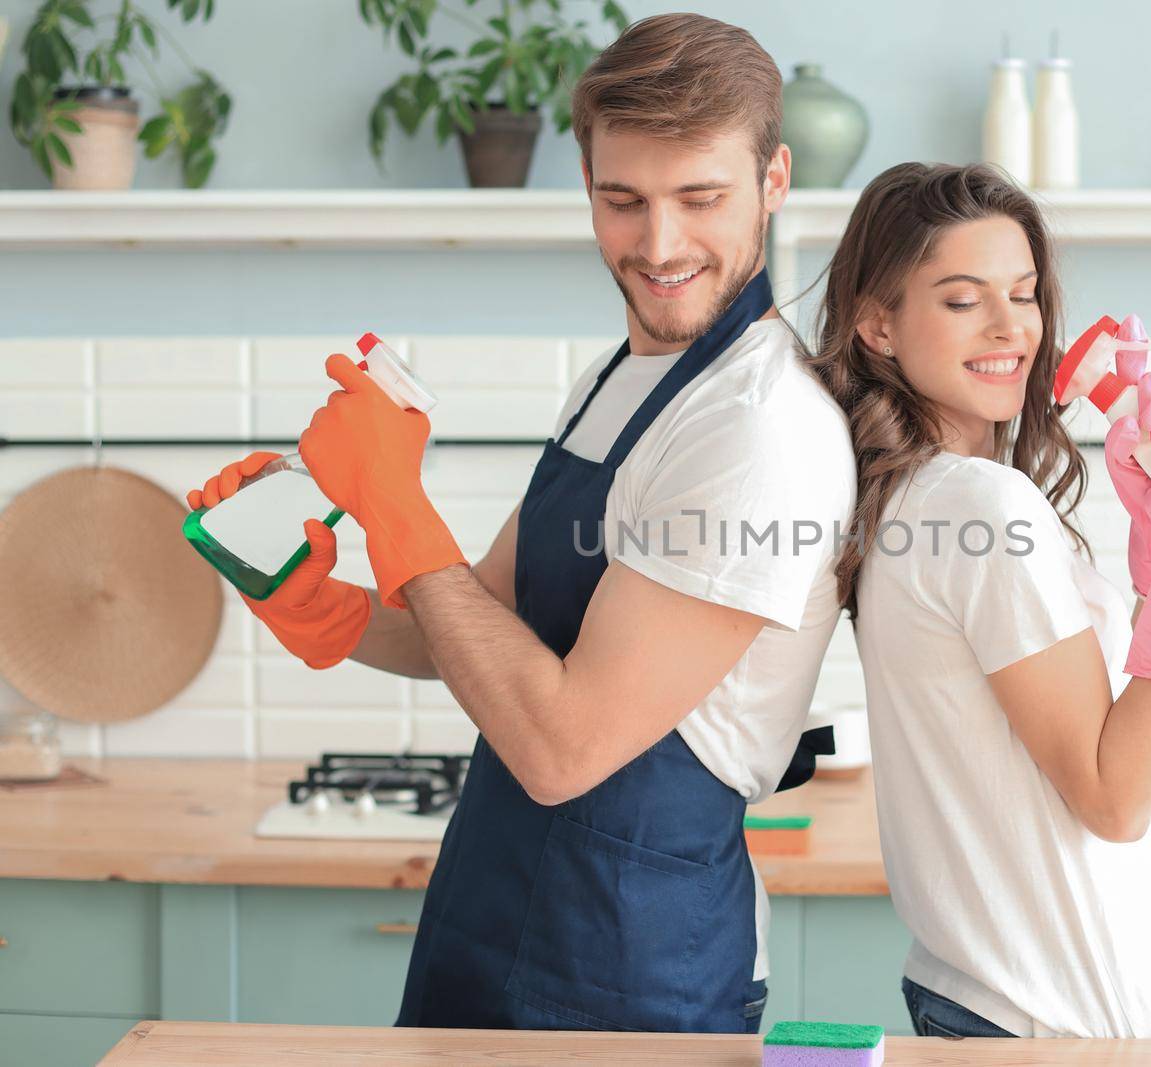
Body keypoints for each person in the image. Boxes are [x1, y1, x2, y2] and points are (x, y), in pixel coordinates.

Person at [186, 14, 853, 1034]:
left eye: (701, 199)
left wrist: (396, 505)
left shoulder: (760, 428)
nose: (660, 243)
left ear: (774, 179)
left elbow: (562, 746)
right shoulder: (617, 380)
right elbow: (485, 621)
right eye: (621, 200)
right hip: (489, 913)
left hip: (629, 965)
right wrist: (323, 606)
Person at [806, 162, 1151, 1039]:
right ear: (877, 323)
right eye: (963, 300)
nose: (1012, 327)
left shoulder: (916, 496)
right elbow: (1114, 796)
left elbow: (1072, 730)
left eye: (1026, 294)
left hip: (983, 995)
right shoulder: (981, 505)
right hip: (1052, 1025)